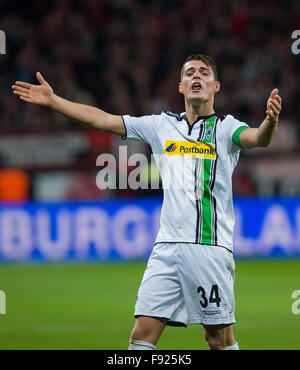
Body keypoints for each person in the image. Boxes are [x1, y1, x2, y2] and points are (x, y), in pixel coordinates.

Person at [12, 54, 282, 350]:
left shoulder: (227, 128)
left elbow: (258, 138)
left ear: (215, 86)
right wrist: (54, 102)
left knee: (218, 338)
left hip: (208, 248)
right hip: (166, 248)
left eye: (203, 73)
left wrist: (269, 122)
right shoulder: (161, 126)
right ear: (180, 86)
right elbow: (103, 119)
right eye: (189, 72)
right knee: (142, 333)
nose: (196, 77)